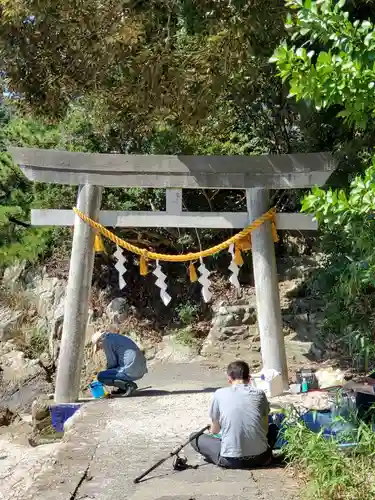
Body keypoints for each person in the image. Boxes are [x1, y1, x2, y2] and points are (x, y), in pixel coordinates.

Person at [190, 360, 277, 469]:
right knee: (273, 427)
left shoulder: (219, 394)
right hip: (261, 458)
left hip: (230, 460)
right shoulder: (259, 394)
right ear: (249, 378)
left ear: (229, 379)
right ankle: (264, 454)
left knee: (194, 436)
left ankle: (223, 456)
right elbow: (265, 430)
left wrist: (213, 429)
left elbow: (215, 431)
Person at [92, 331, 148, 396]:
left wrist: (107, 373)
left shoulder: (106, 341)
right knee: (115, 370)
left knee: (101, 376)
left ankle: (128, 386)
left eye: (99, 346)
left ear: (100, 341)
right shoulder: (114, 337)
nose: (101, 348)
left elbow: (112, 363)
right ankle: (122, 388)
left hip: (131, 370)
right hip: (141, 369)